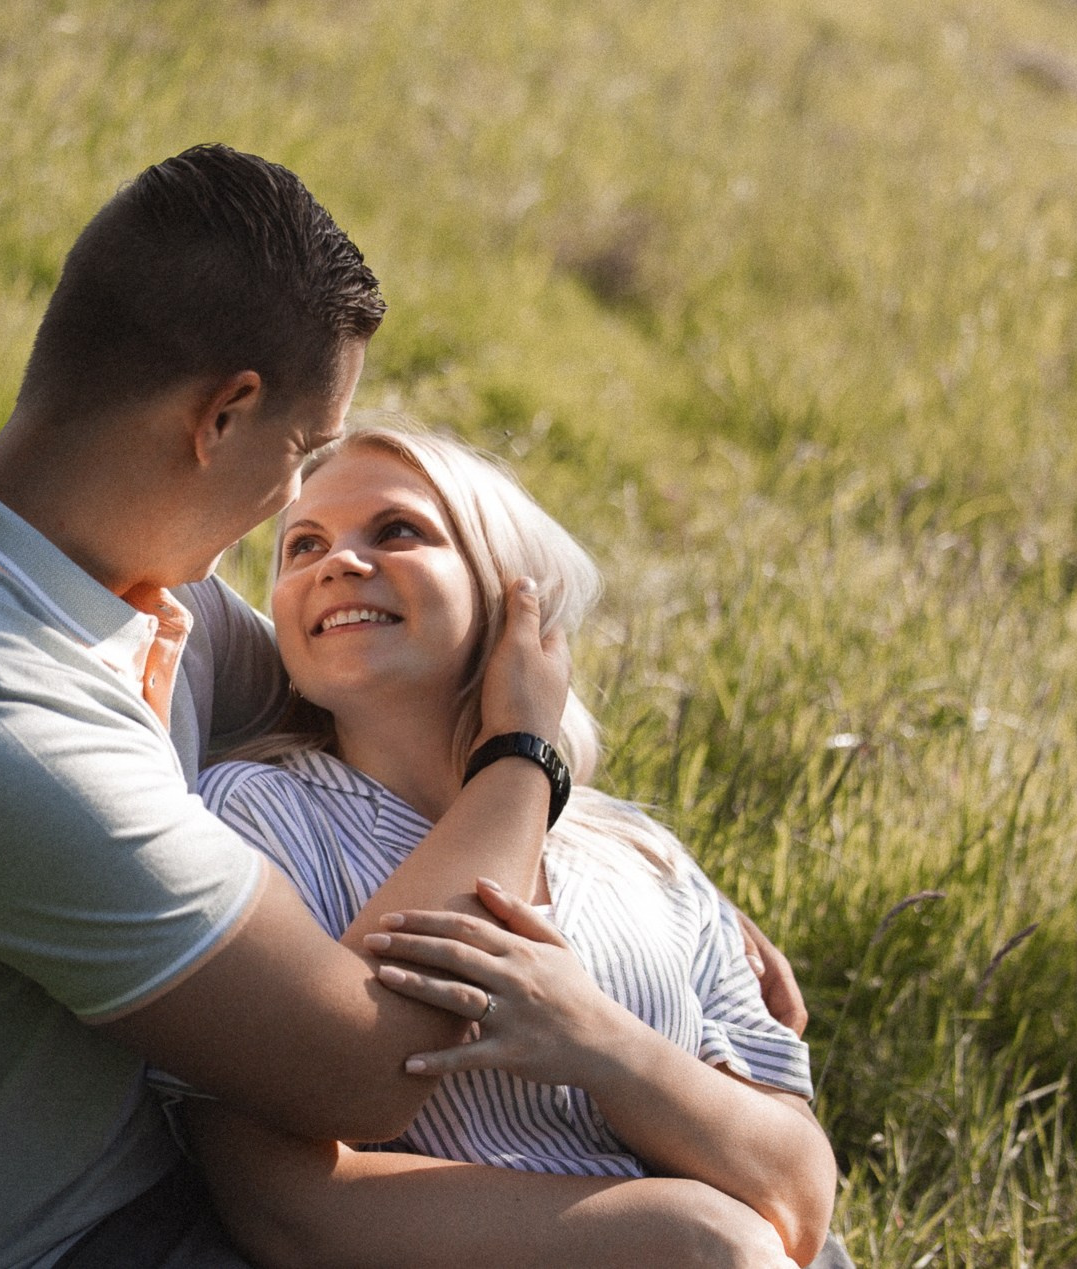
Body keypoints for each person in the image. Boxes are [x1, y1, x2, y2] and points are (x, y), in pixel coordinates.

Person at [0, 143, 808, 1267]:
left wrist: (631, 877)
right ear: (221, 415)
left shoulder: (74, 571)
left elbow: (370, 685)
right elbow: (367, 1067)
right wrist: (520, 766)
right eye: (304, 455)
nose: (295, 507)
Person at [180, 424, 845, 1268]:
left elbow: (800, 1195)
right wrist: (678, 1236)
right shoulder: (257, 817)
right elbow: (280, 1208)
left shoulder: (640, 854)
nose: (335, 562)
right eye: (301, 545)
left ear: (511, 596)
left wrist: (604, 1043)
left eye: (396, 531)